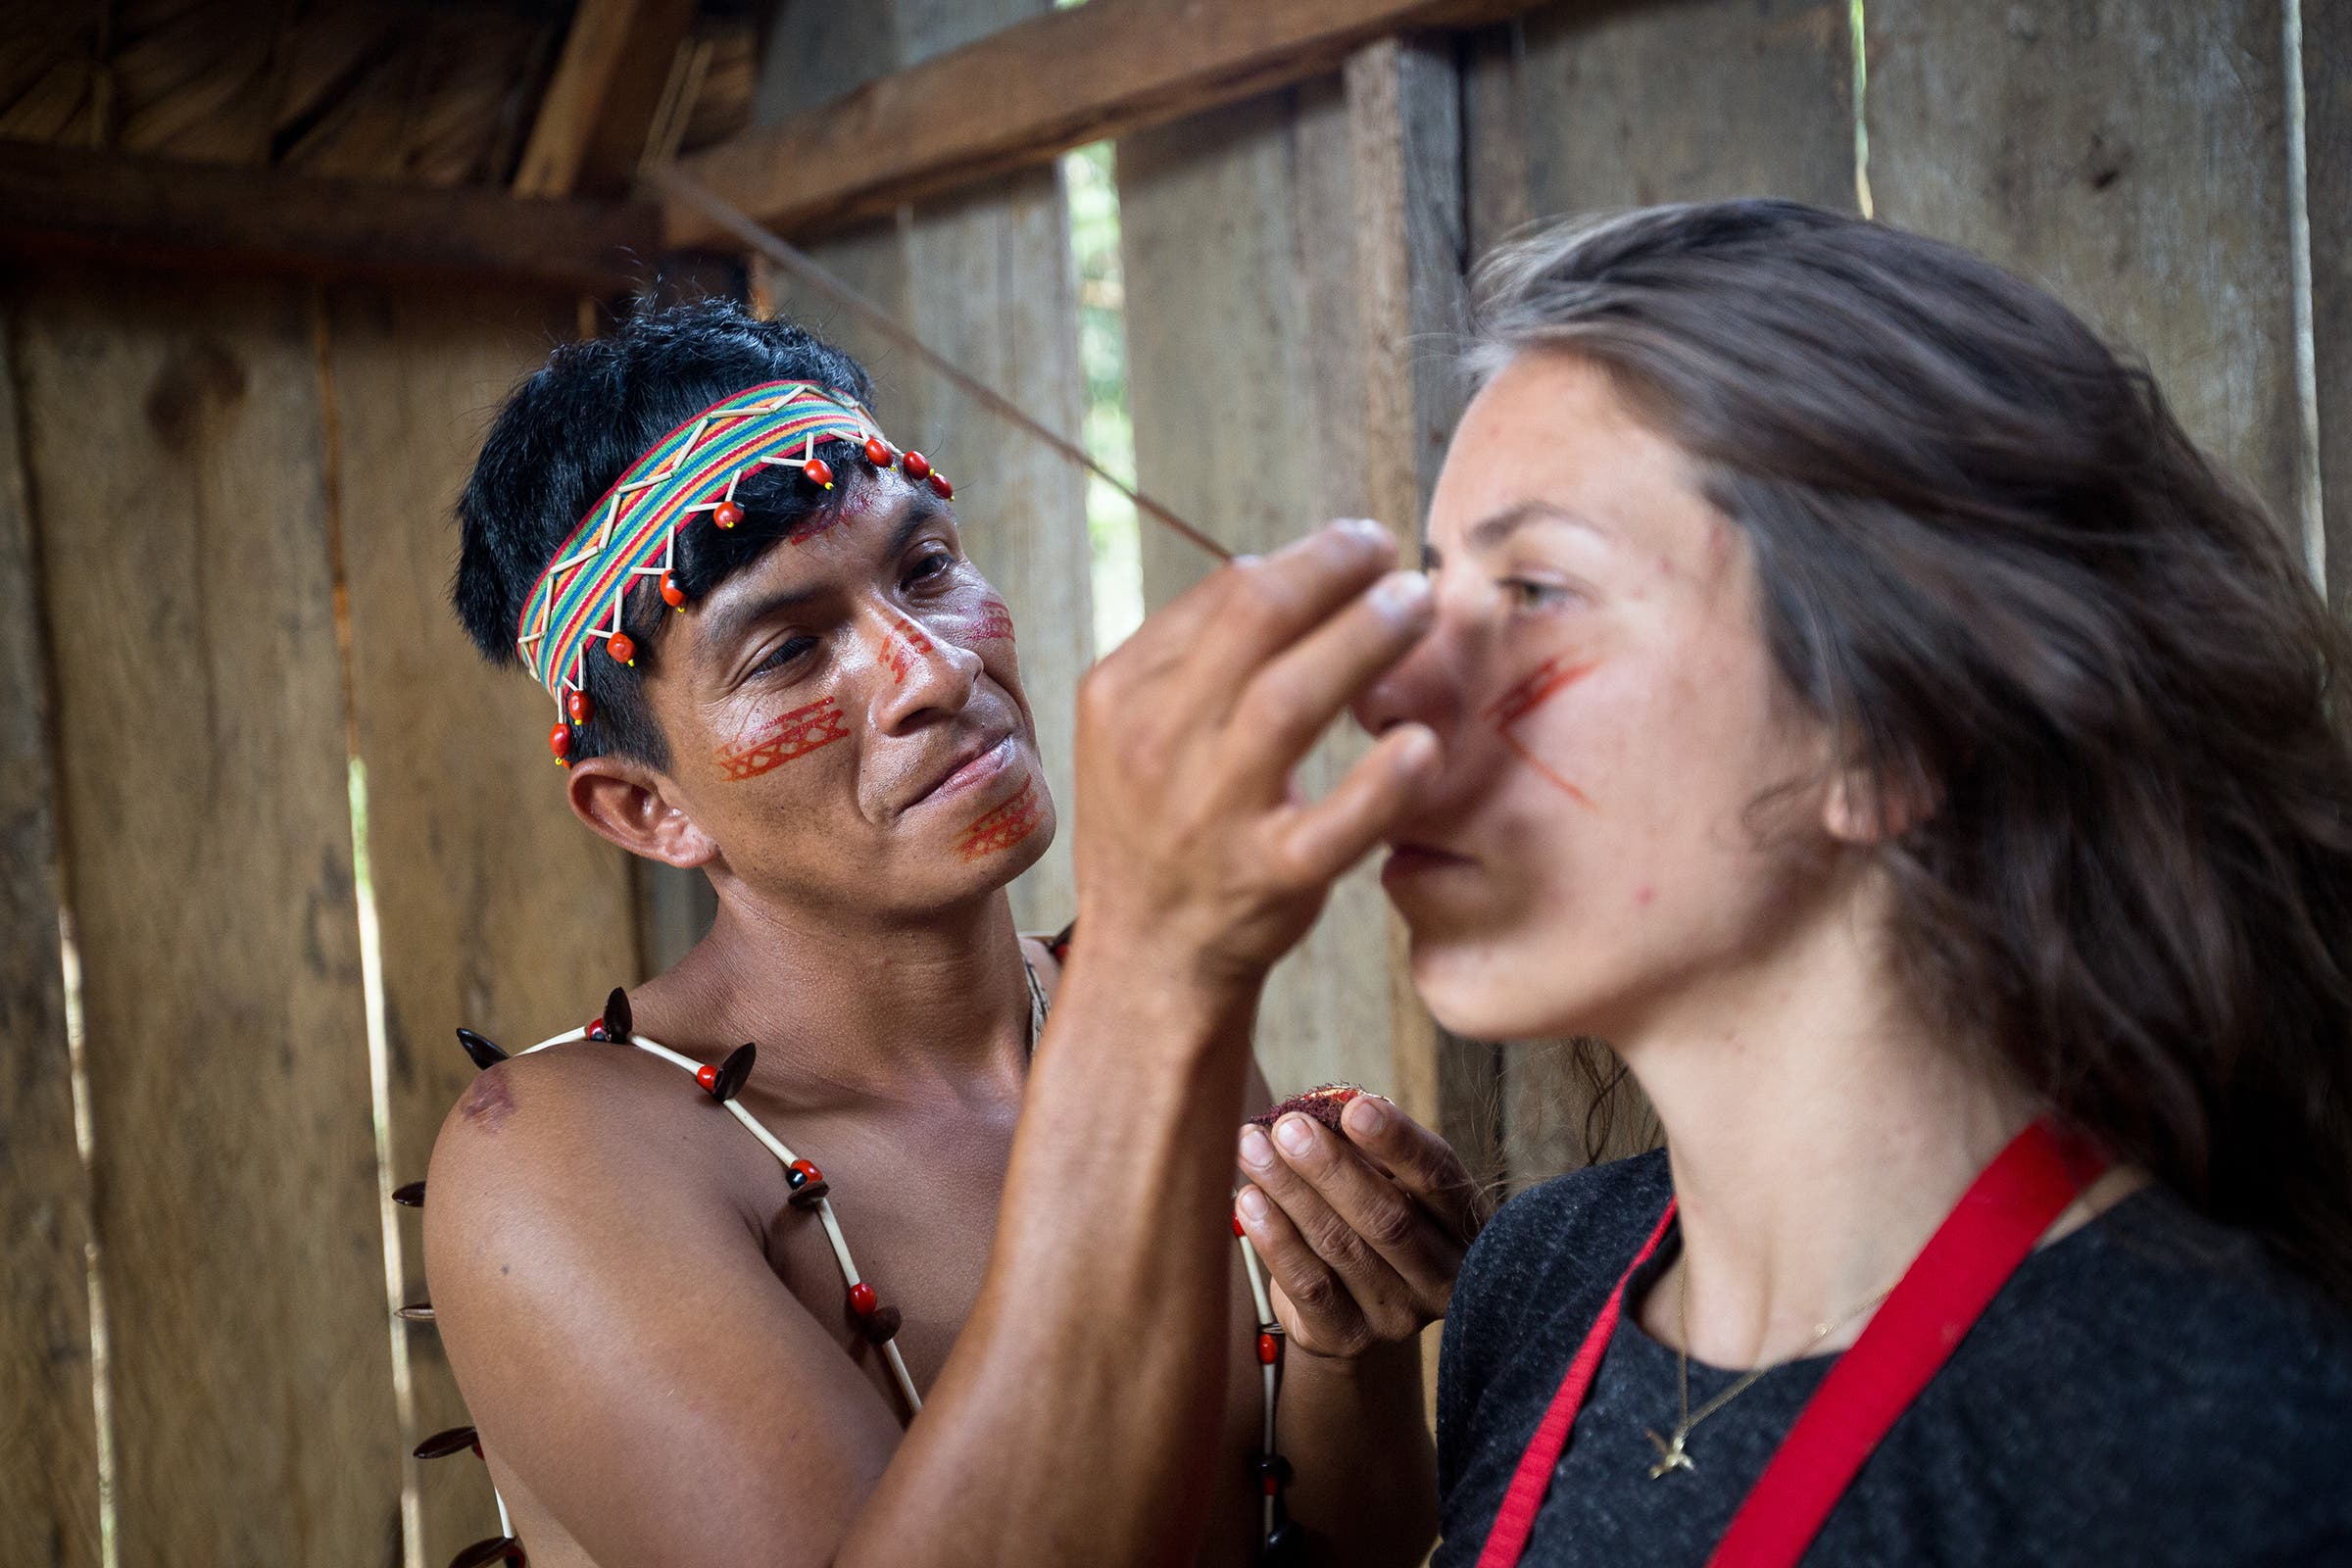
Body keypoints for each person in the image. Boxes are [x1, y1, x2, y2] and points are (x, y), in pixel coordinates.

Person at [1213, 200, 2352, 1564]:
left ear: (1894, 733)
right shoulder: (1533, 1279)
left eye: (1535, 593)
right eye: (1432, 590)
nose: (1391, 693)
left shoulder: (2225, 1444)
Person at [420, 302, 1441, 1567]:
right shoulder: (563, 1160)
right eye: (791, 651)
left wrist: (1355, 1350)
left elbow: (1345, 1542)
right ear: (650, 808)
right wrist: (1156, 977)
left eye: (927, 571)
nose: (935, 671)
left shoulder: (1105, 1015)